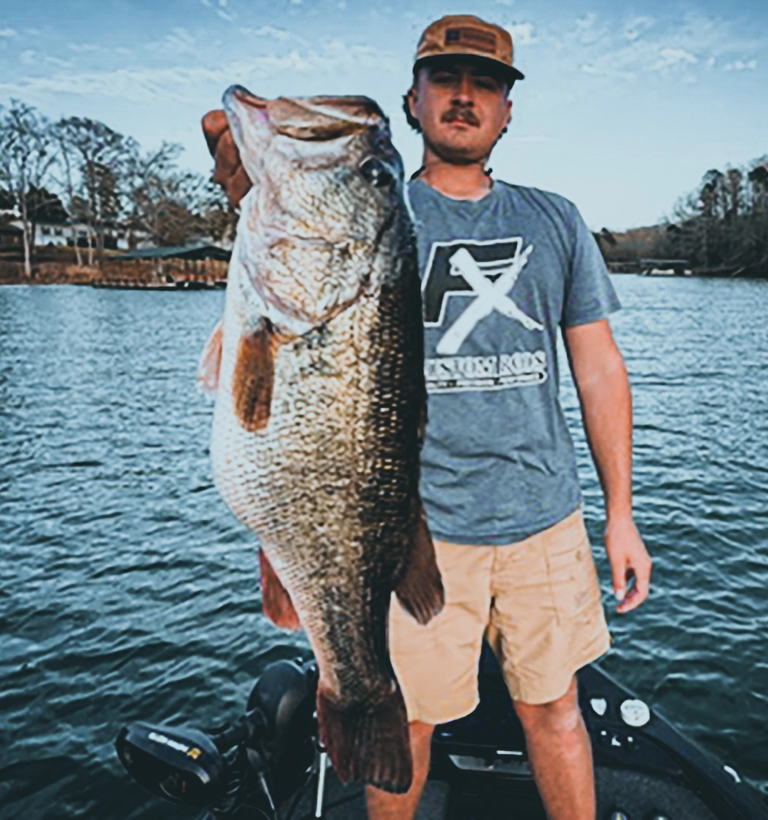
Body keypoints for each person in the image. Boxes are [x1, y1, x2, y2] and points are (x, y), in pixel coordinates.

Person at [204, 14, 651, 820]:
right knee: (403, 719)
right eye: (445, 80)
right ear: (413, 99)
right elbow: (248, 183)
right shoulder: (368, 202)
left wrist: (621, 517)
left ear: (509, 111)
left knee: (556, 712)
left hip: (544, 521)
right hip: (408, 525)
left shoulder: (555, 219)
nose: (464, 97)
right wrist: (238, 164)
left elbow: (599, 368)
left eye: (486, 84)